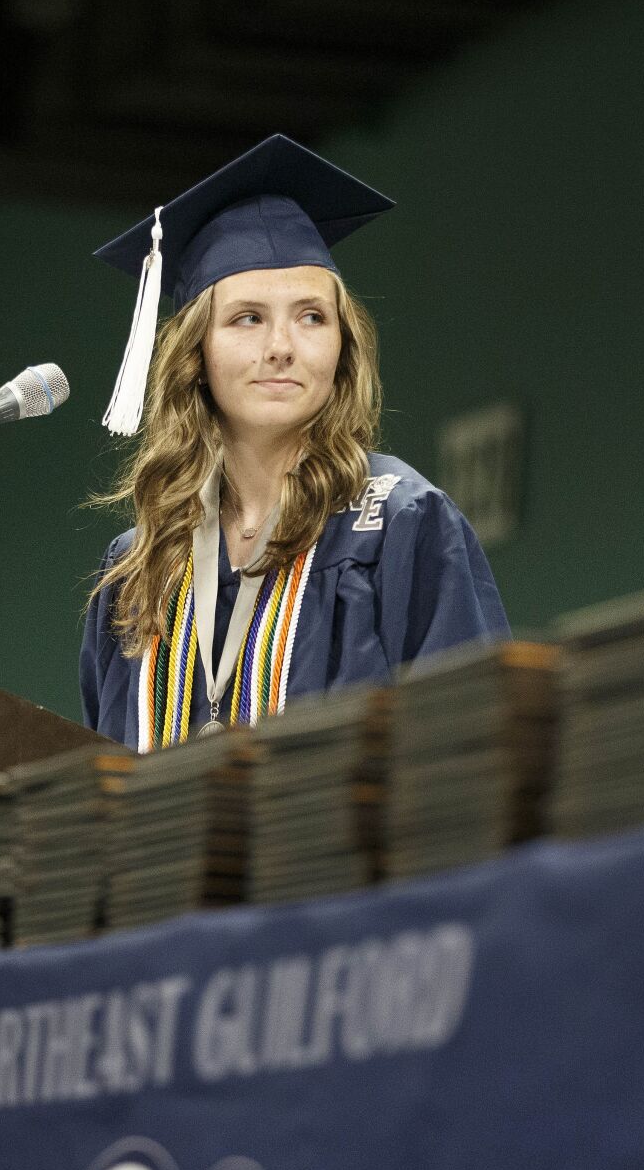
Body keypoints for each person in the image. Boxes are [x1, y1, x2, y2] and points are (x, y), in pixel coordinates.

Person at [81, 135, 509, 752]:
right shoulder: (139, 567)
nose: (282, 345)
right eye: (248, 317)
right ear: (195, 355)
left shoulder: (399, 521)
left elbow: (475, 746)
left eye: (311, 316)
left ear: (343, 346)